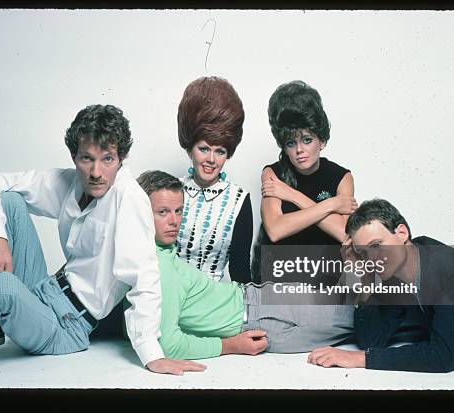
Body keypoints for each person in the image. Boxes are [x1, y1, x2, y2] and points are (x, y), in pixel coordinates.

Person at [0, 104, 205, 376]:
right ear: (74, 156)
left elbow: (145, 278)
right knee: (9, 200)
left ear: (122, 158)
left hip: (66, 326)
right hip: (43, 289)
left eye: (107, 159)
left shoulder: (129, 199)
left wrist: (151, 354)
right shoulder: (70, 182)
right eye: (87, 158)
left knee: (1, 286)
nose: (96, 172)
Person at [137, 170, 354, 360]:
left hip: (255, 296)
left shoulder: (160, 251)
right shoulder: (159, 268)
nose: (174, 221)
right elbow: (169, 345)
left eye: (178, 210)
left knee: (358, 302)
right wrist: (230, 346)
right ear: (141, 212)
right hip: (259, 317)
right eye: (163, 212)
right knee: (358, 317)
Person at [307, 199, 454, 373]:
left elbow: (443, 356)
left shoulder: (452, 269)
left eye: (377, 245)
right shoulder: (396, 277)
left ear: (402, 233)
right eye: (363, 252)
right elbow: (372, 340)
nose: (371, 259)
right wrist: (366, 279)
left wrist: (358, 359)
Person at [251, 80, 357, 282]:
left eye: (307, 140)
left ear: (322, 141)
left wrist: (292, 195)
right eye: (291, 143)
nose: (299, 150)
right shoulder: (273, 173)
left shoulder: (341, 177)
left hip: (325, 281)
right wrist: (332, 205)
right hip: (280, 278)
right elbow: (275, 229)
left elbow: (344, 234)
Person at [176, 76, 253, 283]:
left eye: (220, 151)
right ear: (189, 147)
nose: (211, 160)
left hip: (213, 305)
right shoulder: (170, 191)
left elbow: (240, 272)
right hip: (168, 299)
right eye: (204, 149)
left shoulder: (239, 200)